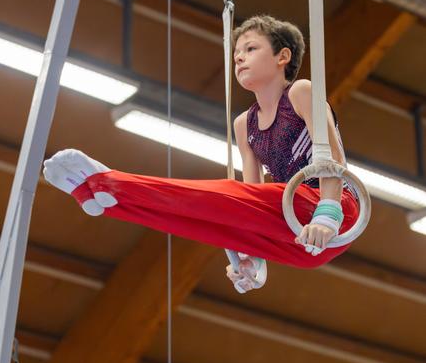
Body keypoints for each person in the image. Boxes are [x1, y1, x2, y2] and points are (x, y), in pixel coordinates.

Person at [43, 15, 358, 294]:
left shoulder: (301, 92)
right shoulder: (243, 124)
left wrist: (328, 214)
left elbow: (333, 156)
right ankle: (105, 201)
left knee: (226, 194)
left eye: (250, 49)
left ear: (282, 56)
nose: (239, 59)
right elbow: (253, 200)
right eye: (236, 55)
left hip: (333, 210)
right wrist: (252, 263)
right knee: (206, 221)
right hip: (300, 237)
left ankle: (111, 181)